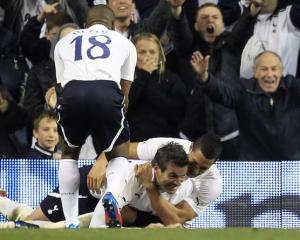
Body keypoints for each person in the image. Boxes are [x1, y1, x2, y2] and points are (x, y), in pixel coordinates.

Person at [53, 4, 137, 228]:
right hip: (107, 92)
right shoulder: (126, 43)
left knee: (69, 153)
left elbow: (61, 86)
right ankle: (111, 194)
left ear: (84, 25)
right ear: (111, 26)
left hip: (72, 94)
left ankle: (71, 222)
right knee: (119, 151)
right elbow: (125, 92)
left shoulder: (63, 42)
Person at [0, 143, 190, 228]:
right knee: (33, 223)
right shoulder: (129, 176)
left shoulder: (184, 186)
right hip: (86, 189)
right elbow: (109, 206)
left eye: (182, 177)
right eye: (173, 176)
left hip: (113, 205)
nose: (178, 182)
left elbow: (176, 222)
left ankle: (6, 203)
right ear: (156, 168)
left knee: (49, 225)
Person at [170, 2, 258, 159]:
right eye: (204, 17)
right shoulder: (188, 48)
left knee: (230, 182)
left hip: (228, 136)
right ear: (196, 25)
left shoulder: (232, 46)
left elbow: (243, 29)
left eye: (215, 17)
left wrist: (252, 11)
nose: (209, 21)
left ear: (223, 25)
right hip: (191, 136)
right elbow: (180, 33)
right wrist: (177, 11)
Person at [190, 50, 300, 160]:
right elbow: (222, 92)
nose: (269, 74)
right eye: (264, 69)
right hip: (253, 168)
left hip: (291, 167)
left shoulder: (294, 88)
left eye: (274, 69)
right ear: (255, 72)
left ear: (281, 72)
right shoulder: (244, 90)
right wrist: (204, 77)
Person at [125, 133, 222, 225]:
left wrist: (149, 186)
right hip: (133, 205)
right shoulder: (164, 147)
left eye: (203, 169)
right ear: (190, 148)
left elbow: (176, 220)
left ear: (213, 164)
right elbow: (123, 152)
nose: (195, 172)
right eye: (193, 163)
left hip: (167, 223)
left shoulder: (212, 184)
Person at [126, 32, 186, 141]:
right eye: (142, 52)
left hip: (165, 143)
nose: (148, 56)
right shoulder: (125, 79)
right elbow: (123, 106)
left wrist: (148, 82)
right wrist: (143, 75)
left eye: (152, 52)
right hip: (131, 143)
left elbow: (177, 113)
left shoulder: (172, 80)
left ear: (159, 56)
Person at [219, 0, 300, 78]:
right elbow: (233, 45)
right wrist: (250, 12)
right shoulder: (243, 14)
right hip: (246, 89)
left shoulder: (289, 17)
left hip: (281, 89)